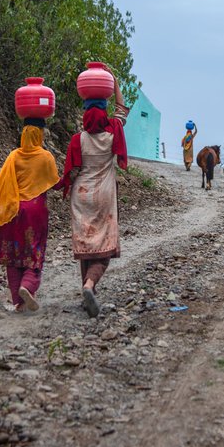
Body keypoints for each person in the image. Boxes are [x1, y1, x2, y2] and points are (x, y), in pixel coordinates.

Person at [60, 68, 129, 318]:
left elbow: (71, 171)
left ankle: (85, 289)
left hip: (81, 195)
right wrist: (116, 82)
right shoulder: (113, 133)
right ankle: (90, 286)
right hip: (104, 195)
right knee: (104, 247)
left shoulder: (78, 139)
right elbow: (121, 111)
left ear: (85, 114)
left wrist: (61, 187)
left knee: (86, 244)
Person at [0, 118, 59, 313]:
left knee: (13, 256)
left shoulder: (13, 156)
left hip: (12, 210)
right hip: (35, 212)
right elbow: (55, 182)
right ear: (39, 135)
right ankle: (27, 286)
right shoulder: (46, 157)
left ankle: (18, 301)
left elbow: (0, 182)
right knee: (34, 252)